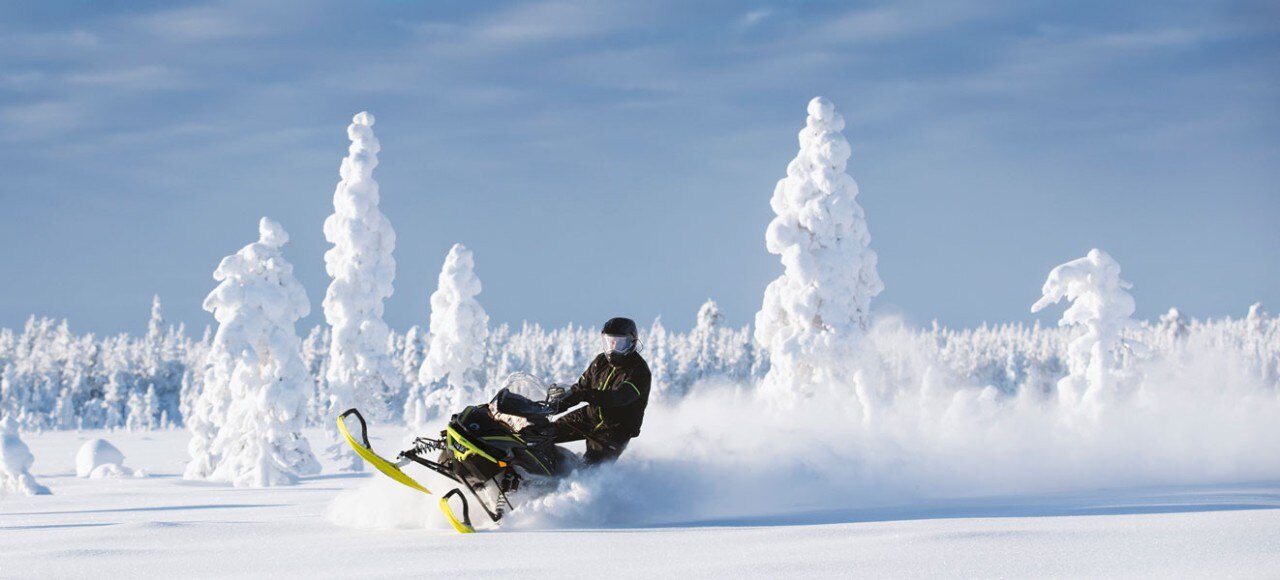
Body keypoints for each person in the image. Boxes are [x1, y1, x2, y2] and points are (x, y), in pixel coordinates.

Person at [551, 317, 651, 464]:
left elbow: (620, 397)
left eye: (619, 343)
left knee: (589, 470)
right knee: (542, 433)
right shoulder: (600, 362)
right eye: (609, 342)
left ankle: (576, 482)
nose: (613, 347)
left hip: (615, 430)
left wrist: (585, 395)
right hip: (590, 416)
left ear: (631, 343)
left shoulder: (638, 370)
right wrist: (556, 404)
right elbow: (579, 388)